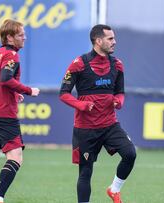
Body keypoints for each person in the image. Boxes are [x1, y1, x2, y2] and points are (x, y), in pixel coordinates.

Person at [59, 24, 136, 203]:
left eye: (114, 38)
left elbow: (120, 92)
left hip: (110, 125)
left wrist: (119, 102)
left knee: (130, 153)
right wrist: (82, 105)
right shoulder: (79, 64)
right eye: (110, 39)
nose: (114, 42)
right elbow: (63, 94)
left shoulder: (117, 64)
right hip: (85, 129)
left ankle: (114, 189)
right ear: (98, 40)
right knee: (85, 173)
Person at [0, 19, 40, 203]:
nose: (24, 37)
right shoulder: (12, 55)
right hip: (4, 112)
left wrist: (8, 93)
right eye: (20, 34)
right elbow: (6, 79)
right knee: (16, 157)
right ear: (9, 37)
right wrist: (27, 90)